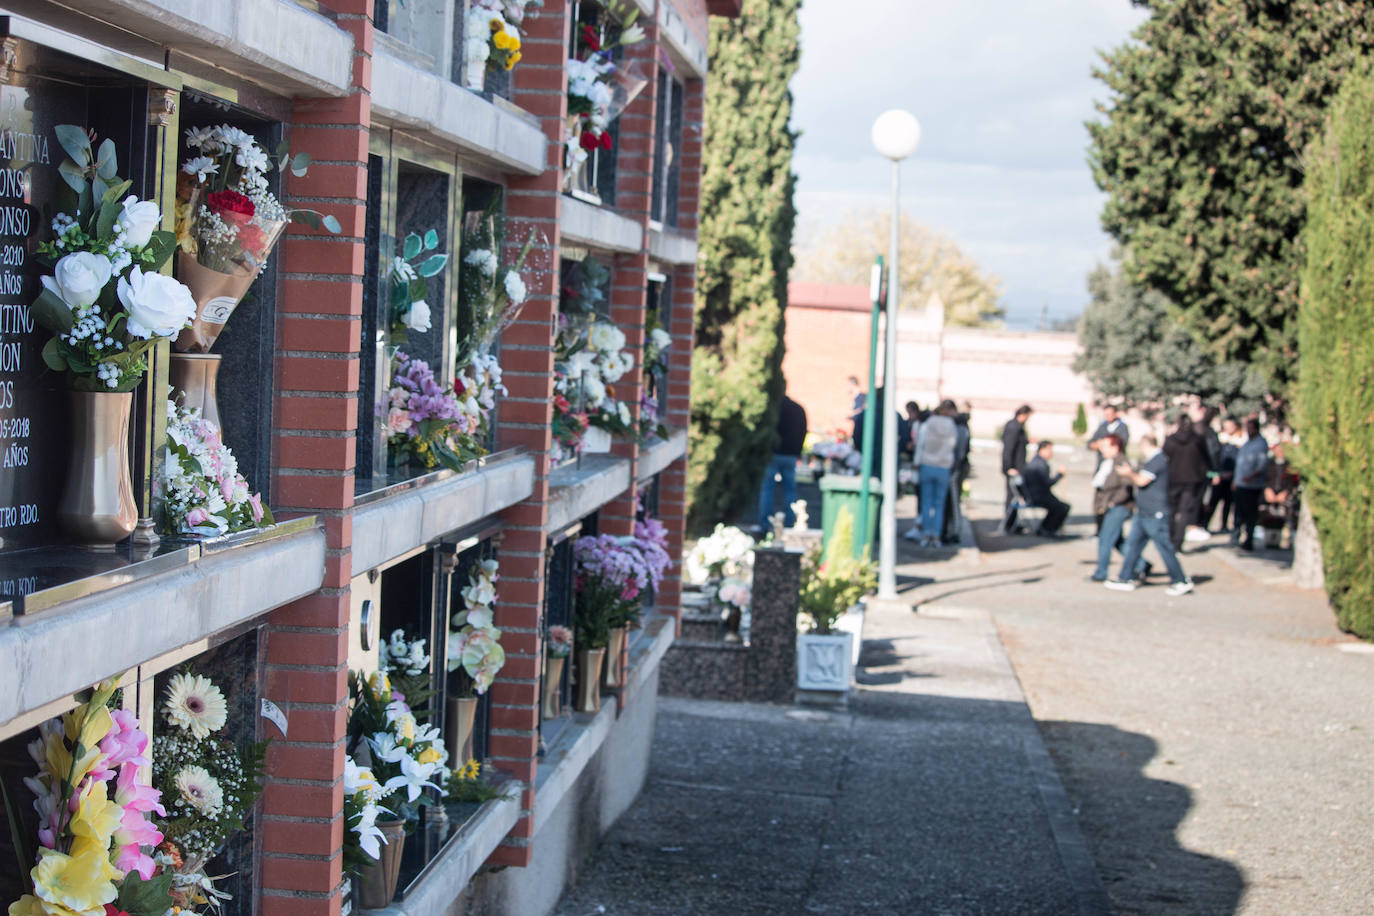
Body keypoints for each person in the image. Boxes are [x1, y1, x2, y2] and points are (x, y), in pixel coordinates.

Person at [1106, 434, 1194, 595]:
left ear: (1145, 445)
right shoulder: (1155, 459)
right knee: (1133, 546)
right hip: (1145, 512)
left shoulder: (1157, 460)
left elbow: (1141, 481)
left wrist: (1128, 473)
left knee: (1164, 548)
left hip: (1155, 513)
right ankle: (1125, 577)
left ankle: (1180, 580)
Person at [1091, 434, 1146, 581]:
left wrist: (1113, 502)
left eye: (1106, 446)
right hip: (1111, 506)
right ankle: (1142, 564)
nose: (1102, 449)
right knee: (1118, 541)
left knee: (1105, 539)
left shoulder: (1121, 462)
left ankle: (1101, 573)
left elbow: (1127, 485)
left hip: (1118, 507)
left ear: (1115, 447)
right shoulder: (1109, 461)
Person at [907, 399, 959, 547]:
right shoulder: (951, 426)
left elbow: (920, 445)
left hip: (927, 464)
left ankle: (925, 534)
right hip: (943, 466)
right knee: (939, 504)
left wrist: (917, 463)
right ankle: (936, 535)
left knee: (926, 502)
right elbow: (953, 445)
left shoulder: (928, 424)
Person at [757, 393, 807, 531]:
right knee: (790, 490)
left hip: (774, 453)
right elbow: (803, 430)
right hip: (790, 455)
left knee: (767, 489)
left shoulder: (774, 408)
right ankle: (790, 522)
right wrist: (797, 450)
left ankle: (765, 523)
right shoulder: (798, 409)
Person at [1162, 414, 1212, 550]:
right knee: (1183, 512)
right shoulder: (1196, 440)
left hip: (1176, 479)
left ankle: (1173, 540)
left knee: (1174, 511)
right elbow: (1206, 459)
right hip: (1190, 480)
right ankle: (1177, 542)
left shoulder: (1173, 440)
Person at [1087, 404, 1129, 534]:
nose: (1107, 417)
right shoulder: (1102, 426)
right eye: (1105, 414)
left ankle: (1111, 532)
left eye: (1110, 414)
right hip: (1102, 465)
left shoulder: (1122, 428)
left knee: (1109, 501)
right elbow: (1090, 443)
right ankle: (1099, 530)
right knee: (1098, 502)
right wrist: (1099, 445)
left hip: (1113, 470)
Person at [1232, 418, 1268, 551]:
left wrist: (1251, 476)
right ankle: (1236, 536)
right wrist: (1236, 480)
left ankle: (1249, 540)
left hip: (1252, 485)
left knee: (1250, 513)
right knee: (1239, 512)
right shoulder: (1247, 443)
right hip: (1241, 483)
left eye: (1250, 428)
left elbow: (1262, 464)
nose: (1248, 430)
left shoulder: (1260, 444)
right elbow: (1240, 464)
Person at [1020, 441, 1071, 536]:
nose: (1051, 453)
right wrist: (1059, 474)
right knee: (1062, 507)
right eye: (1050, 450)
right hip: (1038, 496)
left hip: (1036, 494)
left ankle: (1045, 528)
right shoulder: (1040, 465)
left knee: (1060, 506)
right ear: (1042, 450)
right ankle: (1047, 529)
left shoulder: (1036, 462)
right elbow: (1048, 483)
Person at [1203, 416, 1241, 533]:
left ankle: (1224, 525)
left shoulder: (1240, 440)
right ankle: (1205, 524)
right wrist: (1215, 474)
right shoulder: (1219, 439)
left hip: (1232, 477)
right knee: (1213, 501)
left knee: (1228, 503)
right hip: (1219, 476)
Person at [1260, 441, 1299, 549]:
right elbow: (1264, 478)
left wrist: (1285, 492)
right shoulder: (1269, 464)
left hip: (1284, 494)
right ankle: (1268, 538)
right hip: (1270, 493)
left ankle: (1286, 539)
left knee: (1289, 514)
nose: (1280, 452)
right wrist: (1267, 489)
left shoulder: (1290, 466)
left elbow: (1293, 482)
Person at [999, 404, 1032, 533]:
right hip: (1013, 469)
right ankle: (1008, 524)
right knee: (1012, 497)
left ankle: (1013, 524)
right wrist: (1009, 468)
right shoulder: (1014, 427)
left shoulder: (1018, 427)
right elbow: (1008, 449)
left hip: (1018, 467)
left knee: (1016, 497)